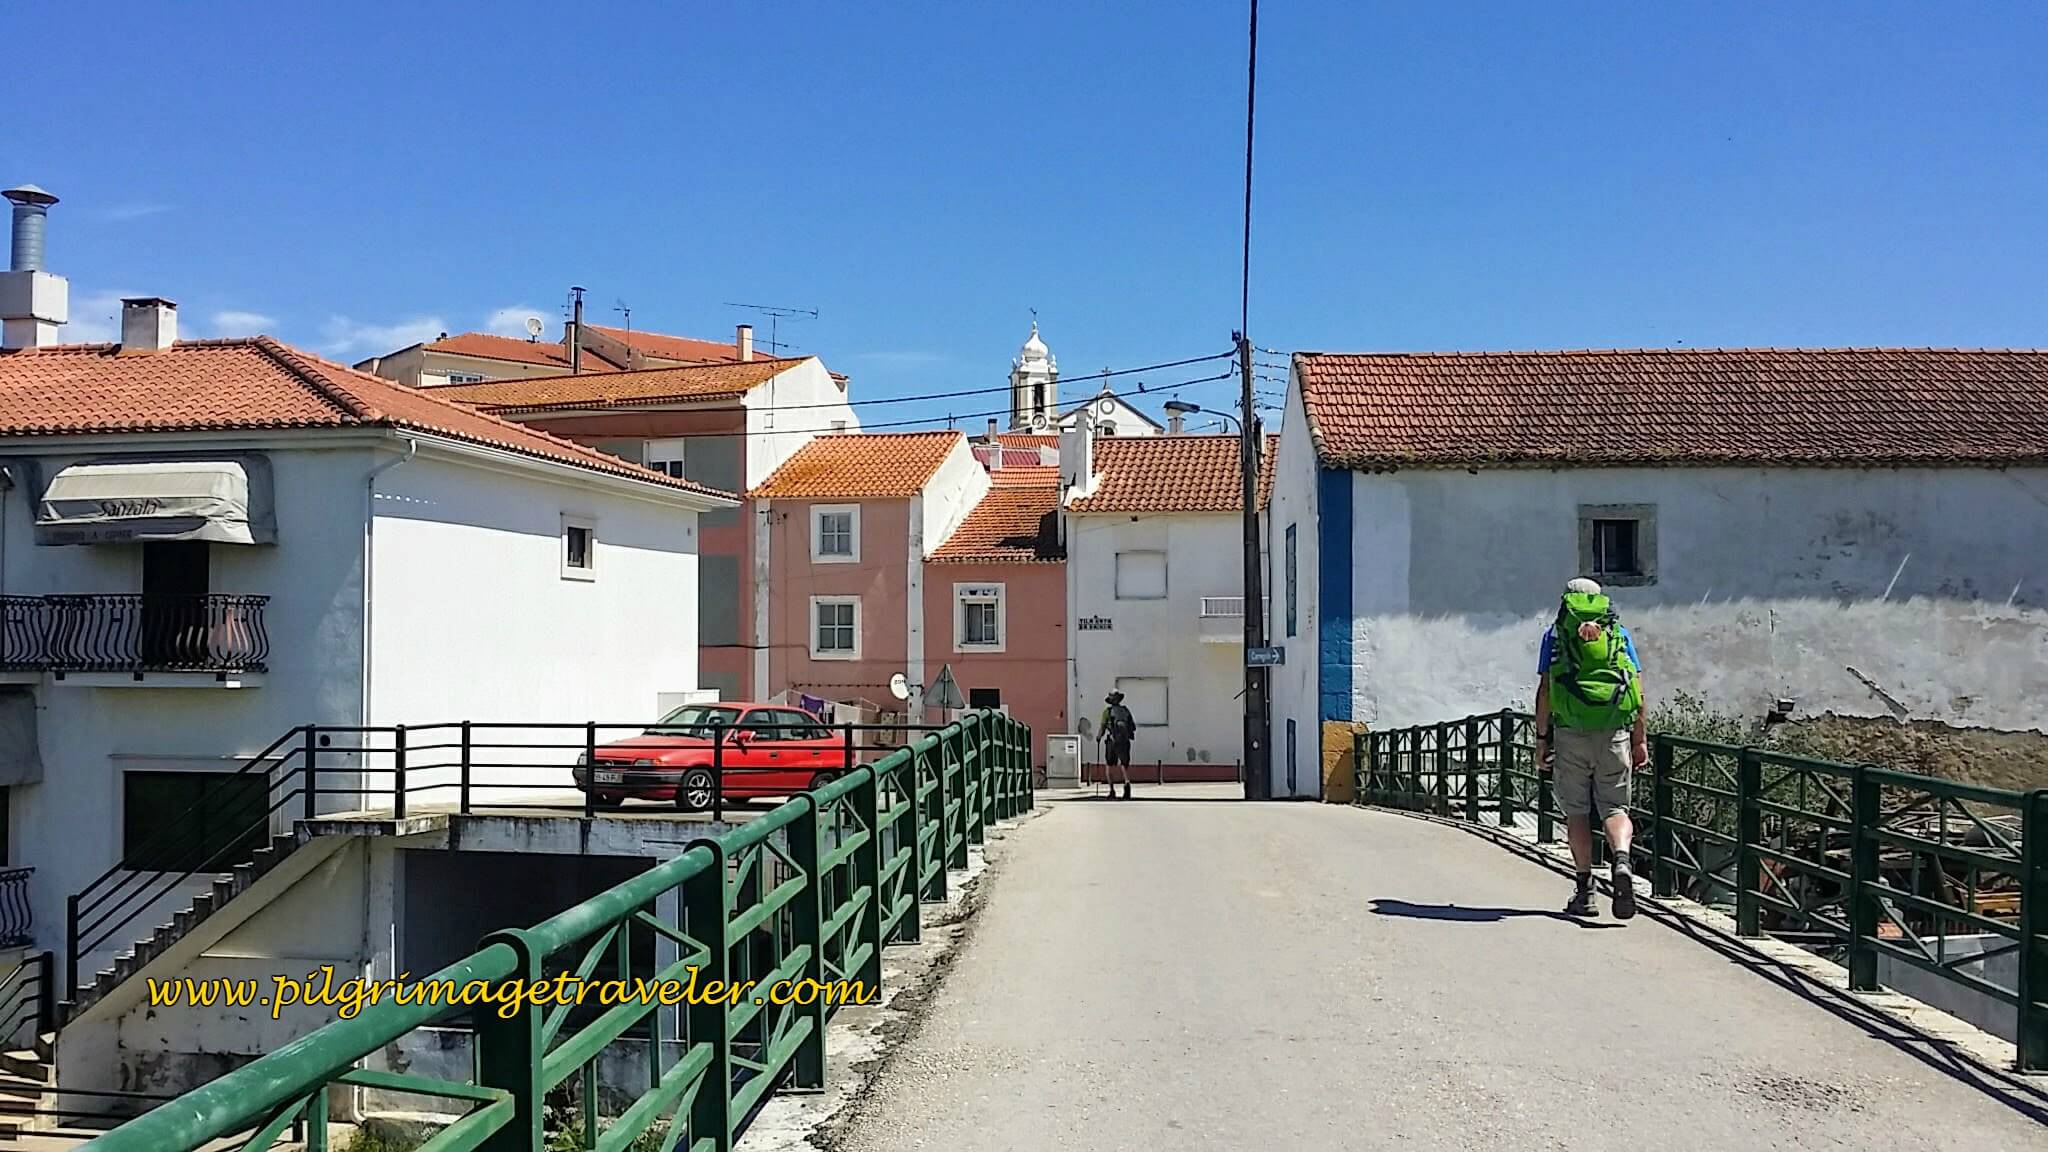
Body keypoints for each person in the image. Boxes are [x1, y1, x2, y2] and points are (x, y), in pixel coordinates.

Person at [1533, 577, 1647, 920]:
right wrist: (1639, 739)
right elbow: (1637, 691)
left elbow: (1546, 691)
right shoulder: (1619, 634)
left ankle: (1585, 891)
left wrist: (1541, 740)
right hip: (1614, 731)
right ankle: (1622, 859)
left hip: (1571, 734)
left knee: (1578, 812)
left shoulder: (1555, 636)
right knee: (1615, 807)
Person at [1098, 691, 1136, 800]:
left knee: (1109, 765)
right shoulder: (1125, 710)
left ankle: (1112, 791)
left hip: (1112, 741)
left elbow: (1102, 728)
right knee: (1124, 764)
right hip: (1124, 741)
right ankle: (1127, 786)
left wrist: (1098, 737)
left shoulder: (1107, 712)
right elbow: (1133, 727)